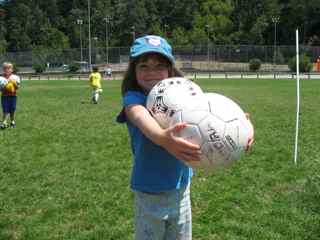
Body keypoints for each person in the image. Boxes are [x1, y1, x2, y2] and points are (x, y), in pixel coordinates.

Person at [1, 62, 21, 129]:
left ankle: (12, 122)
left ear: (12, 69)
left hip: (13, 97)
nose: (7, 70)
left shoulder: (15, 77)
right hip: (4, 97)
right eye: (5, 68)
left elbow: (18, 87)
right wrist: (4, 86)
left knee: (12, 110)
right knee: (5, 109)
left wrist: (14, 83)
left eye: (9, 68)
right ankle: (4, 122)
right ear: (3, 70)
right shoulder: (1, 78)